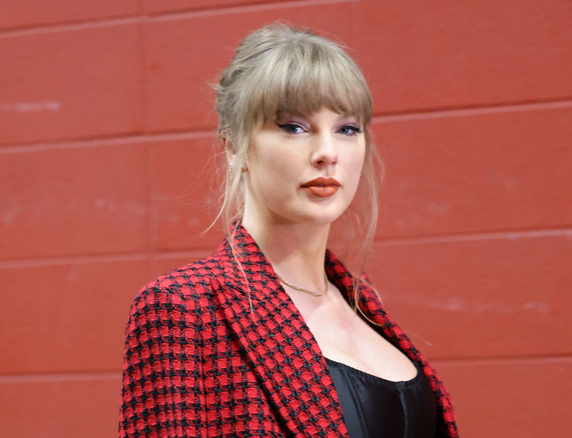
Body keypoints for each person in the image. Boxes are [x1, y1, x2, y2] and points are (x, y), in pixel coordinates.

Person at [119, 23, 459, 438]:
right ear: (234, 146)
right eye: (293, 127)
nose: (327, 154)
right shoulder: (183, 306)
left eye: (347, 129)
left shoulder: (361, 300)